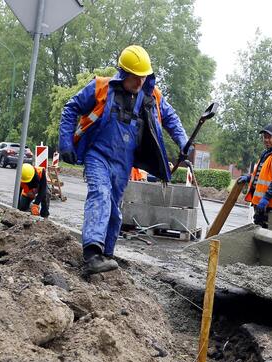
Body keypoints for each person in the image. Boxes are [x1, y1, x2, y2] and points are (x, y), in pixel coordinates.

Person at [58, 45, 190, 276]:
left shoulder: (151, 96)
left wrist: (183, 142)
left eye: (144, 77)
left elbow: (170, 118)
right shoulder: (100, 87)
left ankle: (106, 254)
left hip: (124, 162)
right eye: (135, 78)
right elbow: (71, 108)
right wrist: (65, 143)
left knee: (114, 208)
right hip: (98, 154)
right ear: (123, 73)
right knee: (100, 194)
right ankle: (92, 254)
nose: (140, 83)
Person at [238, 124, 272, 227]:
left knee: (266, 231)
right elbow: (262, 174)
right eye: (264, 137)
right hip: (262, 203)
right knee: (258, 227)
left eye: (269, 137)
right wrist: (249, 178)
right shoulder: (267, 153)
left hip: (271, 205)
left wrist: (266, 198)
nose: (266, 140)